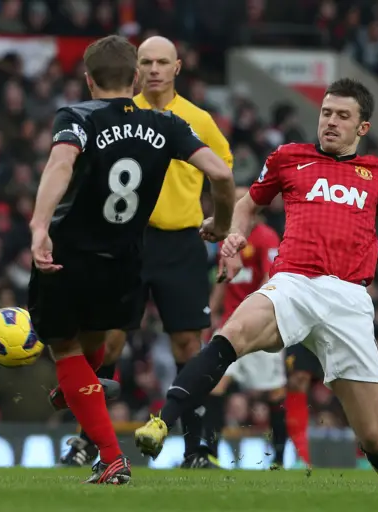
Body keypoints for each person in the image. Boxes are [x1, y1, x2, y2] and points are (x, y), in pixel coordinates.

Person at [133, 78, 378, 484]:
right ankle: (162, 422)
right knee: (232, 331)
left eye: (343, 116)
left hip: (349, 300)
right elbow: (249, 203)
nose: (331, 122)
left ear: (363, 128)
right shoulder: (289, 158)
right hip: (293, 284)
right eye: (326, 113)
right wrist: (235, 235)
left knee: (376, 438)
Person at [28, 35, 234, 484]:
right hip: (125, 259)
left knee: (65, 347)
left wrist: (39, 225)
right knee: (97, 340)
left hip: (72, 254)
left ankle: (109, 455)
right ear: (136, 77)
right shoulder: (166, 124)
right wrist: (221, 222)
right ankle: (77, 388)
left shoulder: (76, 116)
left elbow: (61, 165)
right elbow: (220, 172)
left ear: (87, 79)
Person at [204, 186, 287, 469]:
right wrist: (211, 312)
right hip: (229, 324)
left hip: (258, 325)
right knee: (215, 384)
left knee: (273, 393)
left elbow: (269, 279)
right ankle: (210, 452)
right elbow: (223, 279)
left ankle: (278, 457)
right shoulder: (228, 240)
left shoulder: (265, 237)